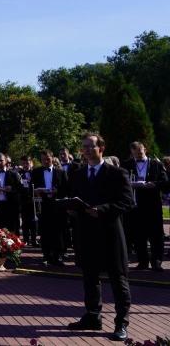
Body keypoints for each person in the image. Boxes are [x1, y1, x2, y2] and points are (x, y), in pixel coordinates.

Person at [66, 132, 132, 341]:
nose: (86, 150)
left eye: (90, 146)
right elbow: (72, 196)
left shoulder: (116, 173)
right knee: (90, 278)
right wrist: (70, 207)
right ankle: (93, 317)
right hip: (86, 234)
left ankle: (121, 323)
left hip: (110, 233)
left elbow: (127, 202)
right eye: (84, 147)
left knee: (117, 279)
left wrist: (101, 209)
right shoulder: (77, 173)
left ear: (101, 148)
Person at [122, 141, 168, 271]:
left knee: (156, 235)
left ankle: (157, 261)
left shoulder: (156, 164)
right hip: (136, 205)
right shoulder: (127, 165)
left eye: (140, 151)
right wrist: (131, 184)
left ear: (145, 149)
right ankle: (142, 261)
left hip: (153, 204)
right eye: (135, 152)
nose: (138, 154)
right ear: (131, 152)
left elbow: (165, 182)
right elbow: (123, 182)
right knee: (138, 235)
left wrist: (154, 184)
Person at [33, 149, 69, 266]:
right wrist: (37, 191)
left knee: (58, 231)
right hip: (44, 205)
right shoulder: (36, 172)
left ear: (52, 158)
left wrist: (57, 191)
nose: (45, 161)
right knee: (45, 231)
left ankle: (58, 256)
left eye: (47, 159)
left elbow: (66, 188)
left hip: (57, 205)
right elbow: (31, 188)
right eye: (43, 159)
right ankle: (46, 255)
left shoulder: (61, 172)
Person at [0, 152, 22, 234]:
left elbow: (20, 189)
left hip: (9, 206)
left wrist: (11, 189)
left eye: (1, 160)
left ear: (5, 161)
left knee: (10, 231)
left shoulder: (14, 174)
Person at [18, 156, 37, 246]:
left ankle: (34, 239)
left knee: (34, 220)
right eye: (24, 163)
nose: (25, 165)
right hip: (24, 199)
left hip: (33, 199)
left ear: (31, 163)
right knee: (25, 220)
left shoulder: (35, 172)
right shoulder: (19, 173)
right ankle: (25, 239)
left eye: (27, 163)